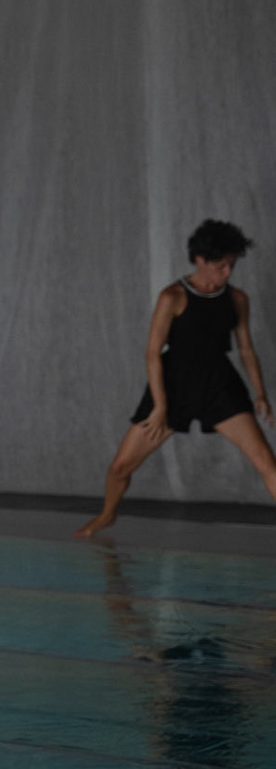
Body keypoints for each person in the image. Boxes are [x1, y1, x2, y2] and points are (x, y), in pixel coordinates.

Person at [77, 219, 276, 537]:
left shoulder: (237, 298)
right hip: (173, 385)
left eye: (232, 265)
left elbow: (247, 350)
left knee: (267, 461)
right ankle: (107, 515)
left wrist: (261, 394)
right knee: (120, 467)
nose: (228, 272)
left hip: (219, 384)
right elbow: (152, 353)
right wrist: (159, 406)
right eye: (221, 266)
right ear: (200, 260)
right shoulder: (172, 296)